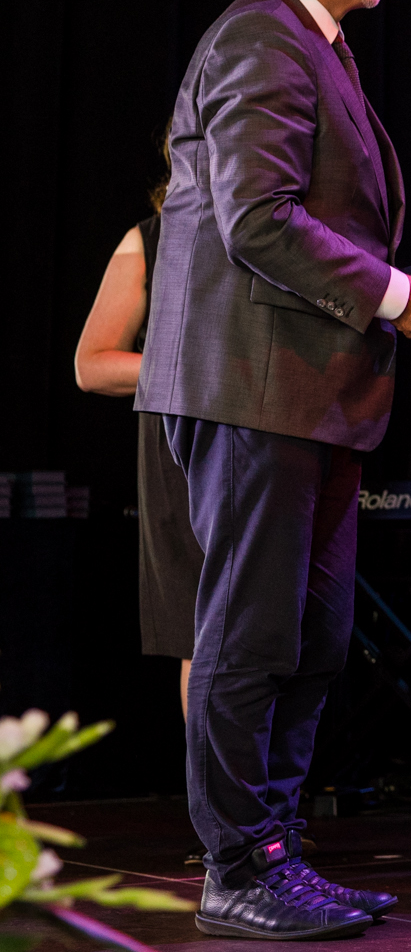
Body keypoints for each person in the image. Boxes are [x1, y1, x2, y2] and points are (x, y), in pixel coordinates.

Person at [136, 0, 411, 941]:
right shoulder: (261, 38)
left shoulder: (311, 46)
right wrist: (394, 293)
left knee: (311, 639)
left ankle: (275, 853)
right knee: (251, 636)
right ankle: (237, 867)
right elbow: (259, 220)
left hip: (303, 396)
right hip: (253, 389)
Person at [74, 146, 203, 720]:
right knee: (204, 636)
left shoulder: (282, 239)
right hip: (184, 450)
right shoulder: (149, 240)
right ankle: (214, 779)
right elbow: (92, 365)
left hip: (270, 446)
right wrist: (195, 367)